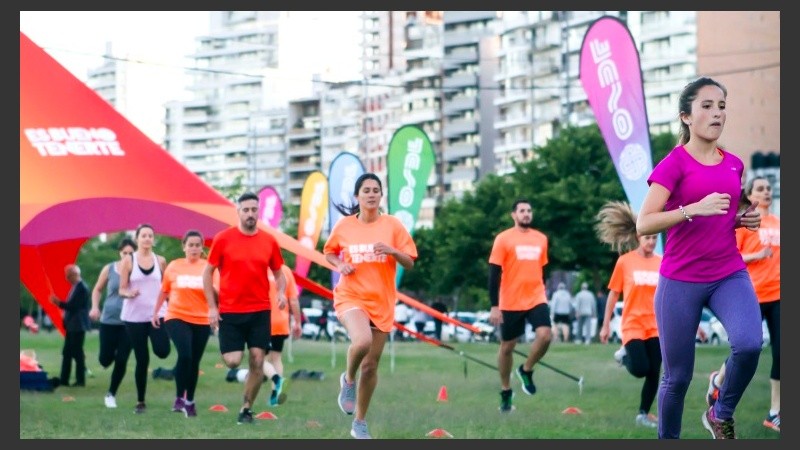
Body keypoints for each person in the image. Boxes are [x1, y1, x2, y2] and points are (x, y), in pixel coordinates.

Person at [636, 76, 763, 439]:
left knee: (750, 344)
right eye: (706, 106)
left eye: (721, 106)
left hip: (728, 273)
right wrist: (692, 209)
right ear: (686, 117)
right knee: (676, 379)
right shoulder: (674, 164)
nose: (716, 113)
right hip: (680, 281)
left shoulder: (734, 164)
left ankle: (719, 413)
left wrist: (744, 220)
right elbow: (645, 223)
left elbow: (726, 214)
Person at [323, 172, 418, 439]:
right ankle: (348, 380)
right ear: (357, 196)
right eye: (366, 190)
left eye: (376, 190)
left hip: (382, 301)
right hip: (351, 296)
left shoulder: (393, 225)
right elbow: (329, 252)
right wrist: (341, 264)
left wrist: (392, 251)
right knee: (361, 341)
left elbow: (409, 261)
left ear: (381, 195)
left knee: (371, 366)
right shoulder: (344, 226)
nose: (372, 194)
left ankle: (360, 423)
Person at [203, 191, 288, 425]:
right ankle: (237, 374)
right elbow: (207, 273)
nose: (250, 214)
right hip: (230, 311)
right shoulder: (223, 239)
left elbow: (280, 275)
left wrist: (281, 293)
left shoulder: (269, 241)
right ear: (238, 212)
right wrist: (212, 307)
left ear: (258, 212)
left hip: (260, 310)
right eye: (246, 210)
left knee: (258, 359)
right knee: (232, 360)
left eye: (254, 210)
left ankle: (246, 409)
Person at [705, 176, 780, 432]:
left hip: (779, 295)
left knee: (782, 354)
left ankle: (775, 412)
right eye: (760, 189)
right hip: (751, 294)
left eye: (769, 189)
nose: (766, 192)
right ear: (749, 195)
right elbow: (731, 256)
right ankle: (718, 380)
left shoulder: (780, 224)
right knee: (746, 348)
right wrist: (758, 255)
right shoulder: (745, 223)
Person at [596, 200, 663, 429]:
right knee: (641, 369)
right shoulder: (625, 262)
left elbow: (671, 296)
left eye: (655, 238)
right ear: (638, 237)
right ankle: (625, 356)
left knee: (655, 371)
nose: (651, 242)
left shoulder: (662, 263)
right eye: (648, 238)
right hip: (633, 324)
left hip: (656, 325)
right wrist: (606, 325)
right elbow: (613, 297)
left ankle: (643, 414)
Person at [487, 199, 553, 413]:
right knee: (507, 348)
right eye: (522, 211)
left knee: (545, 335)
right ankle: (506, 391)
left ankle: (526, 369)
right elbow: (493, 274)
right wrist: (494, 305)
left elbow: (542, 270)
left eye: (529, 210)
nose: (526, 214)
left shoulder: (541, 239)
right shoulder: (503, 239)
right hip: (510, 301)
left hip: (536, 298)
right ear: (513, 215)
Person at [152, 230, 215, 418]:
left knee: (194, 360)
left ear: (202, 247)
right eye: (191, 245)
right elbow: (164, 291)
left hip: (201, 318)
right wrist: (155, 312)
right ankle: (180, 397)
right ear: (184, 246)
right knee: (185, 354)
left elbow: (216, 293)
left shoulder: (209, 268)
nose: (194, 248)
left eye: (198, 245)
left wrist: (216, 311)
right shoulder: (174, 266)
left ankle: (189, 401)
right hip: (176, 316)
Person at [224, 264, 301, 407]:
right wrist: (298, 322)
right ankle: (275, 397)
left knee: (258, 358)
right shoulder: (285, 270)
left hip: (262, 320)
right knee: (276, 357)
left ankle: (277, 379)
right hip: (281, 321)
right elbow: (294, 300)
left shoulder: (255, 267)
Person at [118, 223, 172, 414]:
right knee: (142, 359)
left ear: (153, 239)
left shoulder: (161, 261)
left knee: (163, 351)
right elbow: (121, 289)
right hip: (134, 317)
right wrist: (129, 293)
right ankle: (141, 401)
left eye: (150, 235)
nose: (147, 238)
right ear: (137, 239)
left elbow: (167, 287)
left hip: (157, 314)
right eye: (144, 236)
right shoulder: (128, 261)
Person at [89, 237, 136, 408]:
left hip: (130, 322)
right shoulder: (109, 268)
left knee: (122, 359)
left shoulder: (139, 270)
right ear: (120, 253)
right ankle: (109, 357)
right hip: (109, 320)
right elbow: (97, 289)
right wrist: (94, 307)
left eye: (131, 253)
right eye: (125, 253)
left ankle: (111, 394)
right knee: (105, 360)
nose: (128, 256)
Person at [50, 263, 91, 388]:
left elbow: (73, 306)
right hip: (72, 325)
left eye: (68, 276)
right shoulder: (75, 287)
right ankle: (64, 379)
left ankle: (80, 380)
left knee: (77, 353)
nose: (66, 278)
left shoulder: (82, 288)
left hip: (78, 326)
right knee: (67, 352)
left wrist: (58, 303)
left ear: (74, 275)